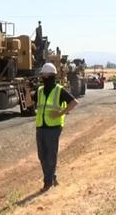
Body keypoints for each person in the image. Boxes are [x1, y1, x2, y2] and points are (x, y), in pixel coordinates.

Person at [33, 62, 79, 192]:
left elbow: (74, 102)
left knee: (51, 155)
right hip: (41, 126)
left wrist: (60, 113)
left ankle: (48, 183)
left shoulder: (59, 90)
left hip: (54, 127)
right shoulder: (40, 90)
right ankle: (52, 177)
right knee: (42, 155)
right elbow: (29, 102)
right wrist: (26, 91)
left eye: (43, 74)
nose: (42, 76)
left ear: (49, 75)